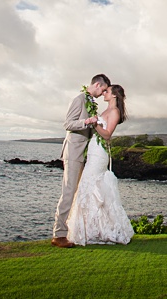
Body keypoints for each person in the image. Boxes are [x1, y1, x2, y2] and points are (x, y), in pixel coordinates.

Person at [66, 84, 134, 246]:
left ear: (115, 95)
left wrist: (95, 123)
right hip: (93, 149)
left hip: (100, 152)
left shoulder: (115, 112)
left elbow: (107, 134)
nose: (104, 93)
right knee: (87, 185)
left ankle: (99, 229)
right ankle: (93, 229)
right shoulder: (105, 110)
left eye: (107, 91)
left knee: (90, 184)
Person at [51, 73, 111, 248]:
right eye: (104, 90)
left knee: (78, 192)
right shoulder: (79, 99)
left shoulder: (91, 101)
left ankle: (71, 231)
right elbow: (68, 124)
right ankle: (59, 235)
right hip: (73, 151)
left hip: (85, 153)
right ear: (98, 85)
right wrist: (86, 121)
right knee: (68, 192)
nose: (103, 94)